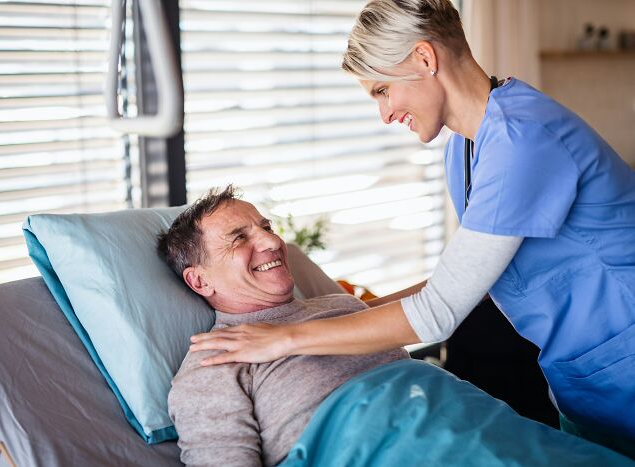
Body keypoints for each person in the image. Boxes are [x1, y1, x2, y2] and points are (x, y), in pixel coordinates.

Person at [188, 0, 635, 458]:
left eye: (382, 90)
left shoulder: (523, 140)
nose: (384, 114)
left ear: (424, 58)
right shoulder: (463, 149)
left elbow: (440, 312)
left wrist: (285, 337)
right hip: (583, 379)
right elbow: (476, 279)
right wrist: (342, 313)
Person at [156, 186, 408, 466]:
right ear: (200, 281)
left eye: (267, 227)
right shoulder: (215, 363)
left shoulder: (342, 305)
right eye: (239, 238)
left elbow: (431, 307)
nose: (273, 242)